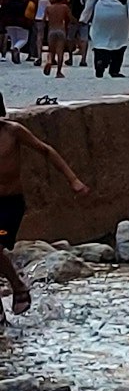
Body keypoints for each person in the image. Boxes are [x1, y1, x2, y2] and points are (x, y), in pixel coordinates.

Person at [0, 97, 90, 317]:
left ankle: (19, 286)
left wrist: (73, 180)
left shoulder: (13, 131)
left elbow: (46, 151)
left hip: (10, 205)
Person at [38, 0, 71, 79]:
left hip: (51, 31)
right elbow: (70, 19)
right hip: (61, 30)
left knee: (50, 50)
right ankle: (59, 72)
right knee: (60, 51)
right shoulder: (64, 7)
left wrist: (42, 30)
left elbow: (44, 21)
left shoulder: (49, 8)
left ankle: (49, 61)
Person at [0, 0, 28, 64]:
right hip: (21, 20)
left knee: (13, 38)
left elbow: (3, 6)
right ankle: (16, 49)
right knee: (23, 39)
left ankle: (15, 54)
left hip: (8, 20)